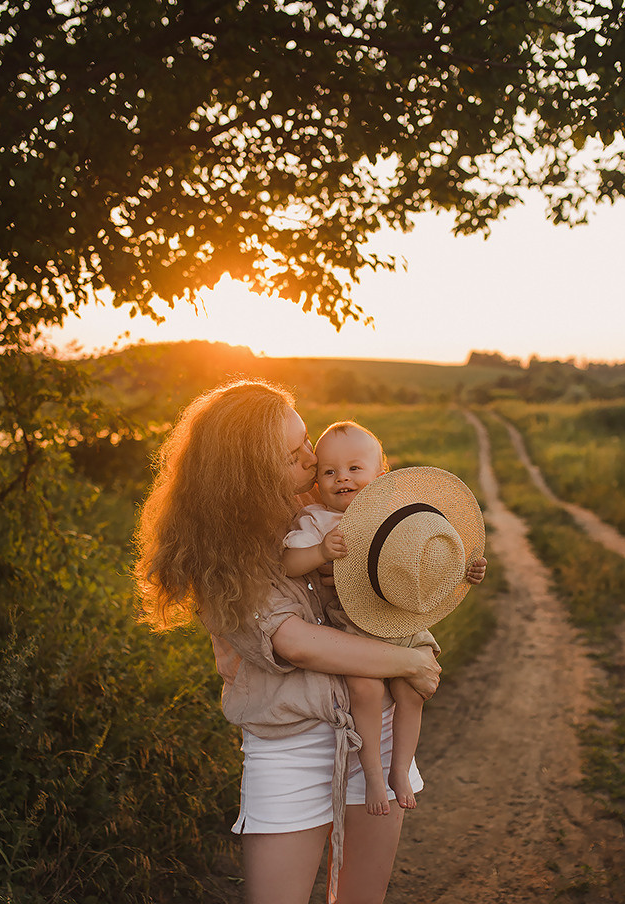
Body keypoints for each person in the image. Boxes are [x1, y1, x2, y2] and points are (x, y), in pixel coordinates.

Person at [133, 379, 444, 904]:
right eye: (292, 453)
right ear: (249, 472)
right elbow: (293, 642)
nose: (312, 457)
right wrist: (409, 662)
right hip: (291, 746)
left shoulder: (326, 502)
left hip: (377, 728)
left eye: (306, 440)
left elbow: (396, 569)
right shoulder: (221, 551)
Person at [282, 421, 487, 816]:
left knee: (413, 691)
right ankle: (373, 774)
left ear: (380, 476)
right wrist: (320, 552)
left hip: (403, 620)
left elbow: (430, 555)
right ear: (317, 483)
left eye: (354, 468)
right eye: (329, 471)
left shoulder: (396, 513)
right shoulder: (317, 521)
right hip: (354, 628)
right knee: (367, 691)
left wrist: (465, 570)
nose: (342, 477)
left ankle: (400, 769)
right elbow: (290, 563)